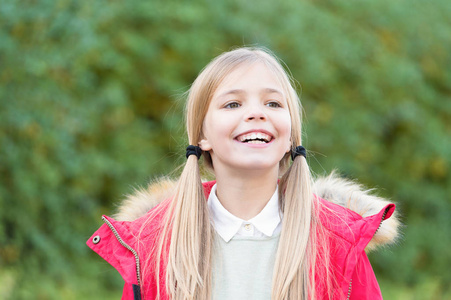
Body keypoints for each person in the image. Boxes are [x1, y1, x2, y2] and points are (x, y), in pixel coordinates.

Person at [87, 47, 400, 300]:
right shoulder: (154, 246)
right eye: (233, 103)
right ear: (202, 136)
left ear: (291, 135)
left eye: (273, 103)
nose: (256, 113)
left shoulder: (338, 242)